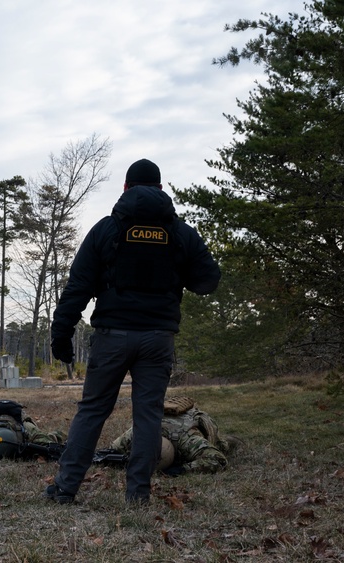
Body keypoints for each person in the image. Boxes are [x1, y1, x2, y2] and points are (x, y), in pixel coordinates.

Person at [45, 158, 221, 504]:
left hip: (112, 336)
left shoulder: (106, 230)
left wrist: (61, 332)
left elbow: (77, 286)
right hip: (158, 339)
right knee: (149, 416)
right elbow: (209, 280)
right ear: (160, 188)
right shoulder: (180, 232)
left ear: (125, 188)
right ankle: (137, 496)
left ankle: (65, 489)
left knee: (93, 410)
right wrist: (173, 271)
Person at [107, 396, 231, 475]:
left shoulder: (187, 440)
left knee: (223, 446)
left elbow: (218, 460)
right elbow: (113, 449)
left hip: (190, 421)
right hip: (162, 424)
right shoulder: (139, 433)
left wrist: (183, 469)